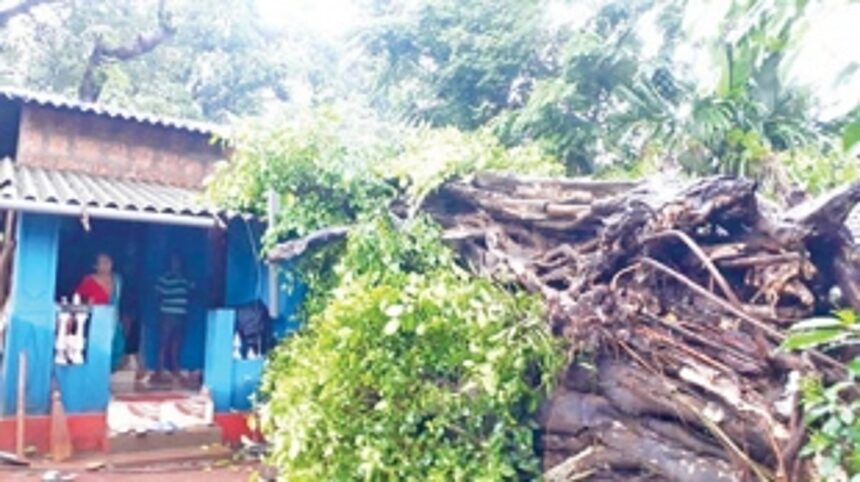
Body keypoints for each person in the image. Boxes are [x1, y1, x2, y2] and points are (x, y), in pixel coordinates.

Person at [75, 253, 125, 370]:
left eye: (108, 262)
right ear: (95, 266)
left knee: (118, 344)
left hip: (113, 318)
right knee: (95, 346)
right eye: (102, 263)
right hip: (96, 319)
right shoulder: (89, 280)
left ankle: (109, 370)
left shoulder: (117, 280)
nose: (106, 265)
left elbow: (118, 299)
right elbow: (78, 297)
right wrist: (88, 303)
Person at [154, 254, 193, 383]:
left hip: (181, 315)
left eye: (178, 261)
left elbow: (192, 290)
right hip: (167, 315)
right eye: (173, 261)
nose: (176, 264)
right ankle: (159, 371)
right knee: (163, 342)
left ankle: (175, 370)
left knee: (176, 343)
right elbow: (157, 294)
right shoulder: (165, 278)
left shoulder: (184, 279)